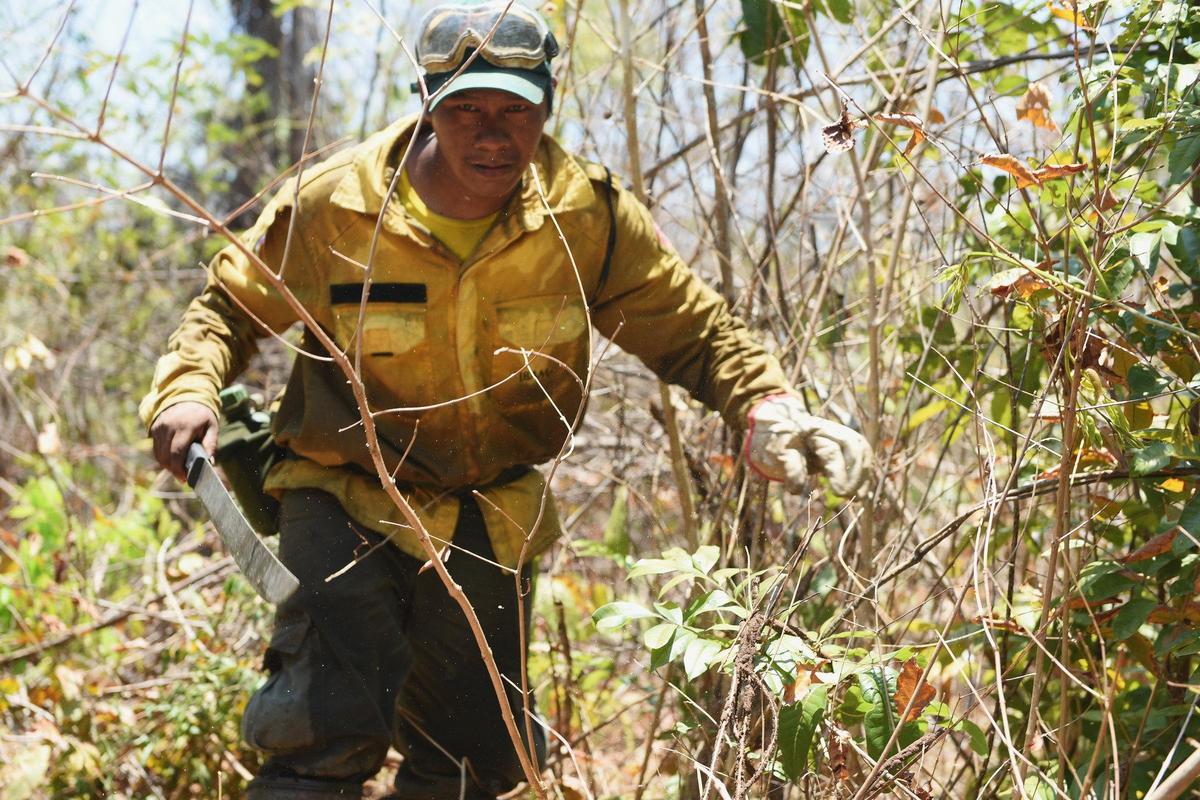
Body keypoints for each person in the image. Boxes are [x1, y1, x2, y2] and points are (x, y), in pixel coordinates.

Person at [140, 2, 872, 797]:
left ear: (547, 107)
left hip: (489, 512)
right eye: (466, 108)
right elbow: (228, 309)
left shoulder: (584, 216)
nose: (492, 134)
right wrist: (187, 392)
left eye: (514, 110)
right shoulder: (335, 207)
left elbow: (691, 330)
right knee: (326, 731)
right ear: (428, 105)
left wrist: (766, 406)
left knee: (474, 765)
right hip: (343, 493)